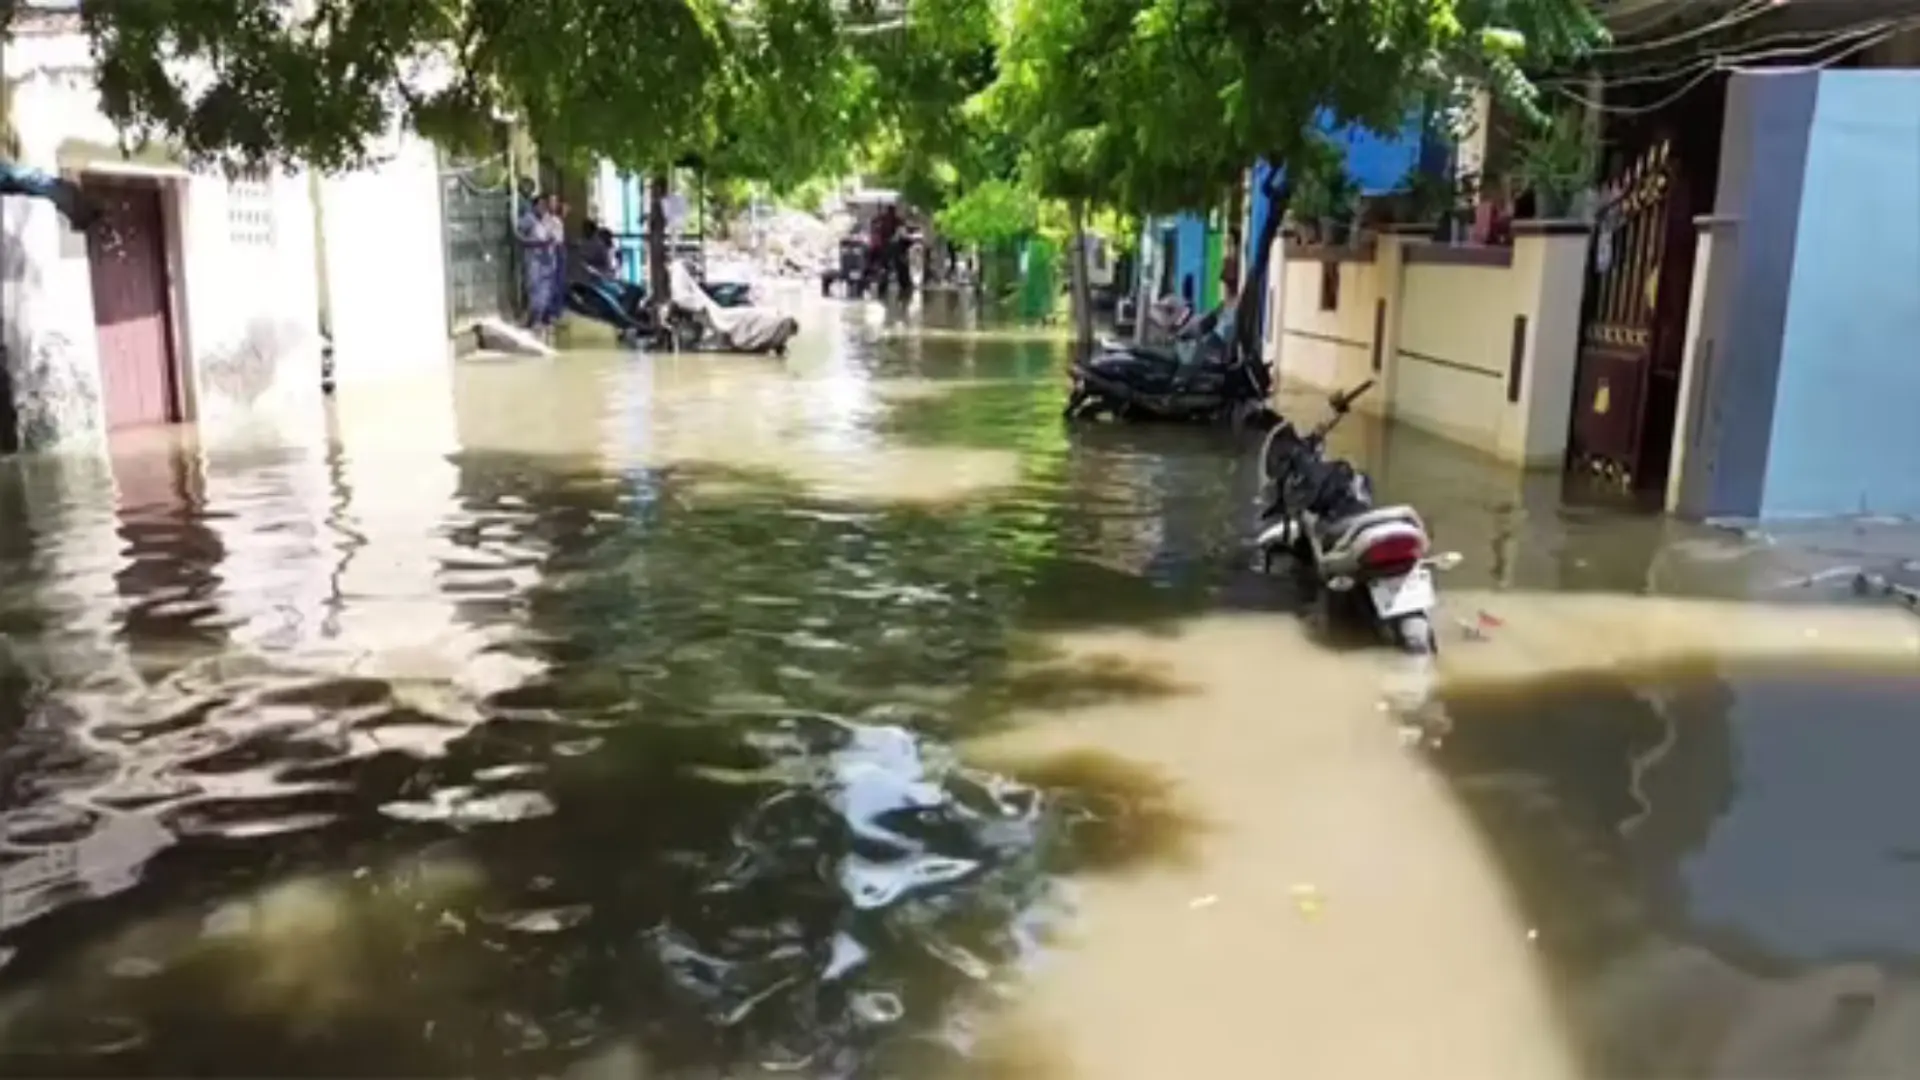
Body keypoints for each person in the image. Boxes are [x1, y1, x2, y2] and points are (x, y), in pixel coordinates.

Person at [516, 193, 565, 334]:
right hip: (533, 260)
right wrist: (532, 243)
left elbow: (557, 241)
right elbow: (519, 235)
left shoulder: (553, 222)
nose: (543, 208)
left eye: (545, 205)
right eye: (541, 205)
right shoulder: (528, 219)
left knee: (545, 291)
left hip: (548, 262)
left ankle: (539, 319)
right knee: (533, 288)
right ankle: (532, 319)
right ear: (535, 205)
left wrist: (546, 243)